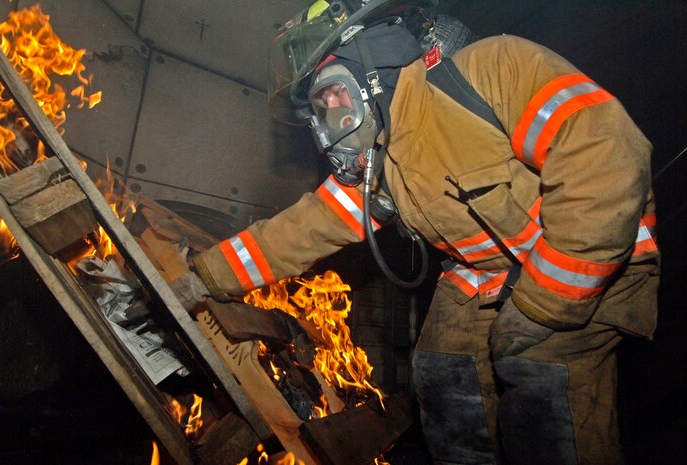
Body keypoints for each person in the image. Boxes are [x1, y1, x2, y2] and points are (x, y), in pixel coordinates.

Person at [171, 1, 660, 464]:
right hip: (489, 274)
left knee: (541, 380)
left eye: (330, 95)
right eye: (319, 111)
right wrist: (200, 280)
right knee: (444, 375)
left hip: (589, 257)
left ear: (371, 65)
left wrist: (544, 303)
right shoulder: (381, 163)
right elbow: (298, 232)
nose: (327, 124)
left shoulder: (492, 69)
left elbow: (606, 158)